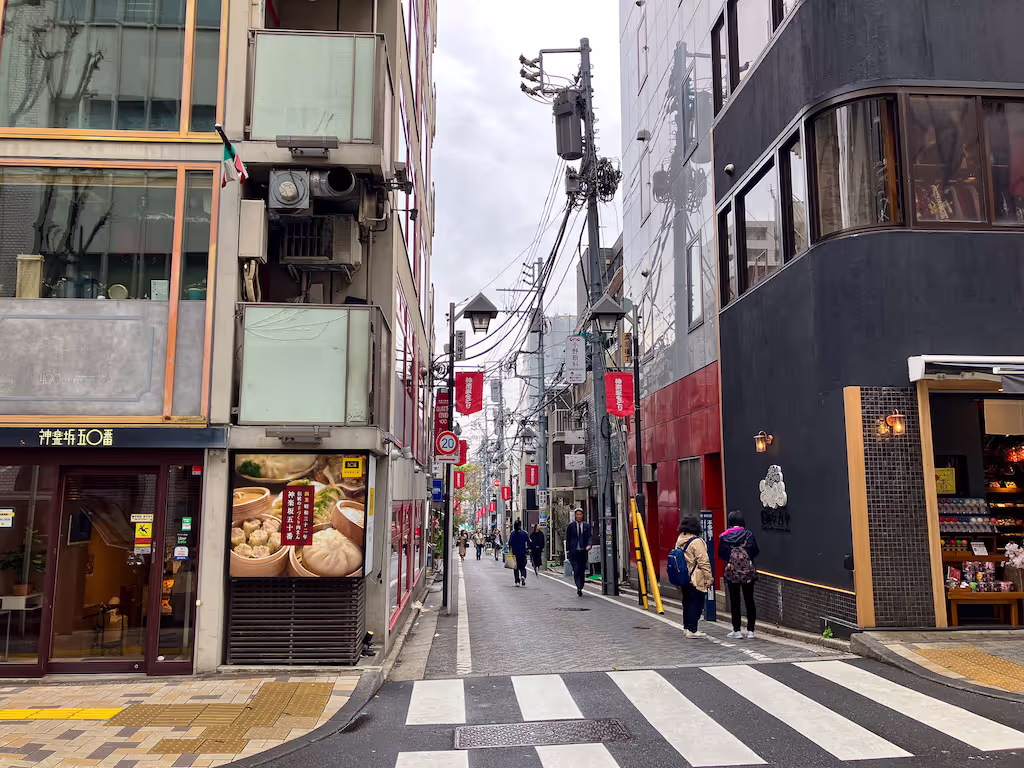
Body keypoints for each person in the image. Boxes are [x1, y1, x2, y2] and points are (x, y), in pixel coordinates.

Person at [718, 510, 760, 639]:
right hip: (747, 572)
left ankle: (736, 630)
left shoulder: (724, 537)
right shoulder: (749, 535)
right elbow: (755, 551)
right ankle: (751, 631)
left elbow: (721, 554)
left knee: (735, 600)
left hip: (732, 573)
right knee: (749, 600)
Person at [675, 515, 714, 638]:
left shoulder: (680, 539)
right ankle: (692, 629)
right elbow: (704, 561)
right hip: (695, 578)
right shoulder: (696, 542)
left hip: (683, 577)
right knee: (696, 604)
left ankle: (687, 627)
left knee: (686, 603)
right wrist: (709, 578)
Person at [565, 508, 592, 596]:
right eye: (577, 515)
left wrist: (589, 545)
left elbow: (589, 537)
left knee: (582, 569)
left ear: (582, 515)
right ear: (575, 516)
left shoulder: (586, 526)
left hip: (583, 551)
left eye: (580, 514)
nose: (579, 516)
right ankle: (578, 586)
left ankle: (581, 585)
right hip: (574, 551)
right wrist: (568, 551)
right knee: (576, 569)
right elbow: (568, 538)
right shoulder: (571, 526)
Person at [509, 520, 530, 587]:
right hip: (523, 553)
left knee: (516, 568)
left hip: (515, 553)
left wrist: (510, 551)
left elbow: (510, 543)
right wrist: (528, 549)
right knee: (522, 566)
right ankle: (523, 576)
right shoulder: (524, 533)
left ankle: (517, 581)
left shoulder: (512, 533)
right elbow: (529, 542)